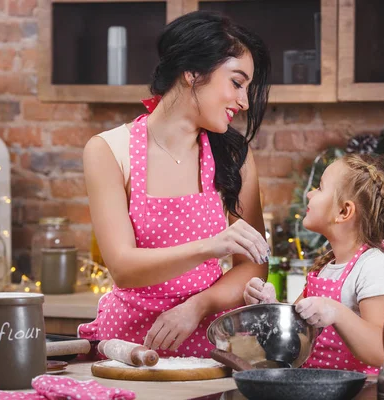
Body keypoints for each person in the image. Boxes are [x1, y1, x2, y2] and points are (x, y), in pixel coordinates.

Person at [79, 10, 271, 358]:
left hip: (212, 348)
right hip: (128, 349)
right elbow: (122, 267)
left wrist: (198, 305)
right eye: (237, 83)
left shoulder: (234, 155)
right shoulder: (108, 150)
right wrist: (211, 246)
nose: (243, 102)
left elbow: (254, 264)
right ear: (193, 72)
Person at [244, 154, 384, 373]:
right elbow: (296, 335)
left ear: (344, 212)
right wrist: (269, 306)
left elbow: (381, 350)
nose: (309, 193)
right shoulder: (327, 267)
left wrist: (336, 312)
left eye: (319, 188)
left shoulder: (374, 268)